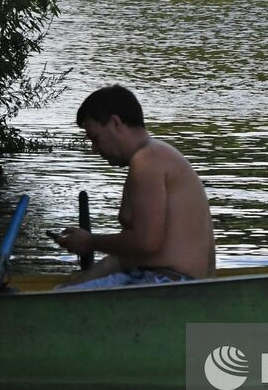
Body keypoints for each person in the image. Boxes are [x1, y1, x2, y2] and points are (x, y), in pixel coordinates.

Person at [53, 85, 215, 290]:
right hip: (174, 281)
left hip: (167, 284)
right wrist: (71, 287)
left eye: (95, 138)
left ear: (115, 123)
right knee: (60, 295)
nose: (95, 150)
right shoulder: (156, 155)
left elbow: (146, 242)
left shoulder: (147, 161)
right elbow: (124, 259)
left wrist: (90, 241)